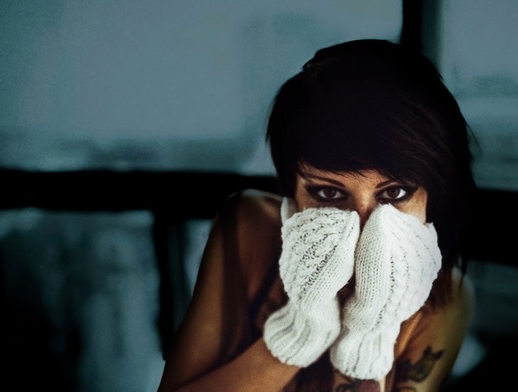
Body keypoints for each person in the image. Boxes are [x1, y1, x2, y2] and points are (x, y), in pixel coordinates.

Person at [157, 38, 477, 391]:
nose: (362, 228)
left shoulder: (445, 299)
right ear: (291, 195)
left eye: (395, 194)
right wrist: (299, 332)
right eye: (328, 193)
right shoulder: (246, 228)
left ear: (433, 195)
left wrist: (367, 339)